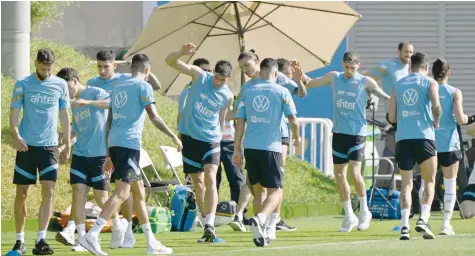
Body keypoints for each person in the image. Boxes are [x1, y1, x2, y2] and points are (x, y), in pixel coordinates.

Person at [78, 54, 181, 255]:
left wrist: (109, 154)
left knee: (139, 193)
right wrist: (173, 137)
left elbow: (109, 121)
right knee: (122, 193)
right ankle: (92, 235)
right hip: (129, 144)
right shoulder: (144, 86)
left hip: (116, 143)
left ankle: (152, 243)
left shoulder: (118, 88)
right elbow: (154, 116)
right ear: (148, 70)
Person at [291, 51, 390, 232]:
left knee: (354, 172)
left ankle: (364, 211)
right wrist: (300, 76)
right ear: (342, 64)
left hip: (357, 133)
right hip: (339, 133)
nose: (349, 71)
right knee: (339, 174)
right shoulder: (334, 77)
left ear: (358, 66)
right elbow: (311, 83)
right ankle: (349, 215)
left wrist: (393, 100)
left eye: (352, 68)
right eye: (346, 67)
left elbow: (383, 96)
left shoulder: (365, 81)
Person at [229, 50, 304, 238]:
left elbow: (239, 121)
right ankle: (263, 219)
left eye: (247, 65)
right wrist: (297, 136)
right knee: (275, 189)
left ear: (258, 64)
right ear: (276, 73)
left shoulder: (250, 91)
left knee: (259, 188)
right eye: (242, 67)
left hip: (253, 145)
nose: (245, 70)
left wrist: (237, 148)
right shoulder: (278, 90)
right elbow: (293, 119)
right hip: (272, 145)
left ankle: (264, 230)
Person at [166, 43, 234, 243]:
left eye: (222, 80)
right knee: (199, 183)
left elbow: (222, 117)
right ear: (213, 73)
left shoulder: (227, 95)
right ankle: (206, 227)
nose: (218, 82)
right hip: (189, 137)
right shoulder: (199, 76)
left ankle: (211, 224)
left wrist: (221, 135)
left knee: (211, 177)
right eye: (216, 77)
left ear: (228, 78)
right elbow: (170, 62)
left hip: (211, 140)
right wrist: (180, 52)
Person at [10, 48, 72, 255]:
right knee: (22, 193)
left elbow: (64, 114)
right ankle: (19, 241)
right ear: (36, 63)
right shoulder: (23, 84)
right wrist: (16, 135)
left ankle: (41, 240)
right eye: (43, 67)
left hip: (49, 147)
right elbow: (14, 113)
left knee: (50, 191)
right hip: (27, 146)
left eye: (49, 68)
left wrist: (68, 143)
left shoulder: (60, 85)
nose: (46, 71)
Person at [55, 68, 123, 252]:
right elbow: (76, 130)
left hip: (100, 154)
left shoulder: (95, 91)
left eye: (65, 86)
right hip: (80, 154)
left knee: (102, 198)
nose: (64, 92)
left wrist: (89, 102)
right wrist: (64, 143)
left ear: (74, 81)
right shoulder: (73, 105)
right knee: (78, 193)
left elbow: (111, 102)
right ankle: (82, 238)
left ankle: (118, 225)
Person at [387, 52, 442, 240]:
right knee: (429, 181)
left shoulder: (398, 85)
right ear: (426, 68)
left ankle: (404, 227)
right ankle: (423, 219)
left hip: (403, 138)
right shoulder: (430, 82)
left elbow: (391, 117)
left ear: (410, 67)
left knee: (406, 184)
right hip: (424, 136)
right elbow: (436, 105)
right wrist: (436, 120)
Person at [431, 59, 475, 235]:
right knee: (450, 185)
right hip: (449, 144)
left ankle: (423, 221)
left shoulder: (427, 90)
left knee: (427, 183)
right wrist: (471, 118)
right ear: (448, 73)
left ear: (432, 72)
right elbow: (460, 119)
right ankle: (445, 225)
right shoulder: (454, 92)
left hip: (429, 144)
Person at [364, 42, 414, 157]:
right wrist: (372, 94)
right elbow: (365, 77)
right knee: (393, 150)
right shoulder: (387, 66)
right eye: (406, 51)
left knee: (405, 150)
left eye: (411, 52)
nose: (409, 55)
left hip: (407, 115)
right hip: (393, 116)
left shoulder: (409, 69)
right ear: (399, 51)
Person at [177, 58, 211, 186]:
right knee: (194, 179)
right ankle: (190, 203)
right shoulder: (187, 91)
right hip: (190, 138)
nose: (207, 74)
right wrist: (180, 137)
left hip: (207, 138)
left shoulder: (211, 91)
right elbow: (181, 115)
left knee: (209, 176)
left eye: (209, 71)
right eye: (204, 70)